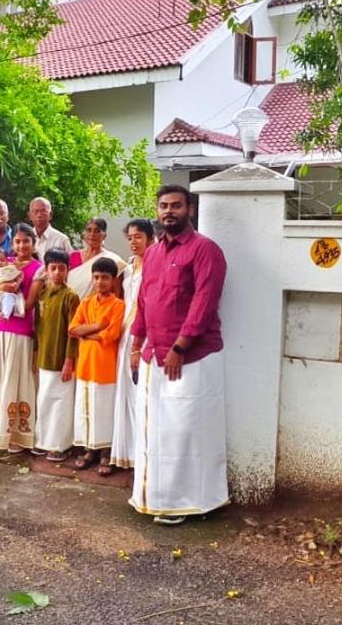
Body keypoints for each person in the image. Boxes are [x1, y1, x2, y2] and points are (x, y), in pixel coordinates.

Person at [128, 184, 229, 525]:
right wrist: (136, 345)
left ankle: (191, 503)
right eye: (163, 206)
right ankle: (156, 498)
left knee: (186, 432)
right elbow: (144, 301)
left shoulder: (205, 250)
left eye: (176, 205)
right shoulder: (154, 253)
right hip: (154, 354)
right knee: (154, 431)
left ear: (190, 210)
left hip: (192, 357)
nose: (168, 211)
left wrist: (180, 347)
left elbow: (204, 303)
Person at [0, 222, 42, 453]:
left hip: (19, 329)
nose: (21, 246)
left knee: (15, 379)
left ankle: (17, 435)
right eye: (17, 241)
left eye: (26, 241)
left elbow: (29, 304)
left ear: (33, 243)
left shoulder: (39, 269)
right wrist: (2, 287)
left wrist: (6, 291)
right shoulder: (2, 262)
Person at [68, 256, 124, 471]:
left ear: (113, 280)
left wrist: (87, 332)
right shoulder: (86, 303)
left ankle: (106, 453)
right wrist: (98, 326)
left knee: (104, 410)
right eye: (97, 277)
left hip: (105, 367)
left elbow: (112, 334)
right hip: (84, 366)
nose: (100, 282)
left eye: (105, 278)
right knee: (86, 410)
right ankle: (89, 450)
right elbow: (72, 329)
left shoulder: (118, 305)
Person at [110, 218, 155, 473]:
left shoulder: (155, 266)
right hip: (125, 333)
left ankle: (144, 453)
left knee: (142, 391)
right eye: (130, 237)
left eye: (138, 237)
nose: (133, 242)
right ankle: (125, 452)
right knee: (125, 389)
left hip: (145, 333)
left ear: (150, 238)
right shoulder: (128, 269)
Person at [31, 249, 80, 461]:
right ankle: (43, 441)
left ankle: (61, 445)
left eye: (62, 268)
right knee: (44, 400)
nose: (57, 272)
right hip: (44, 356)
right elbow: (37, 327)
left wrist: (69, 361)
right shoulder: (41, 295)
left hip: (62, 359)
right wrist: (35, 354)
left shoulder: (70, 297)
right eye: (53, 268)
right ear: (46, 270)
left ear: (68, 270)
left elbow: (73, 333)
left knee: (61, 402)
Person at [66, 217, 127, 299]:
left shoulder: (113, 259)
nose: (92, 234)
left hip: (97, 305)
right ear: (84, 233)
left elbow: (117, 292)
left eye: (97, 231)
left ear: (104, 236)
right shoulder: (74, 256)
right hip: (69, 303)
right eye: (89, 230)